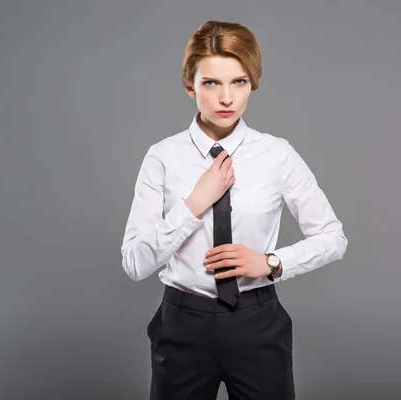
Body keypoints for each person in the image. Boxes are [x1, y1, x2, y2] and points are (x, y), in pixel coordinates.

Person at [120, 20, 347, 400]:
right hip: (182, 326)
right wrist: (194, 204)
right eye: (211, 83)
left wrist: (271, 263)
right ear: (190, 85)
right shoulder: (161, 157)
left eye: (238, 82)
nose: (226, 98)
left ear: (252, 83)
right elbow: (135, 263)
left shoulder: (277, 154)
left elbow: (333, 238)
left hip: (257, 323)